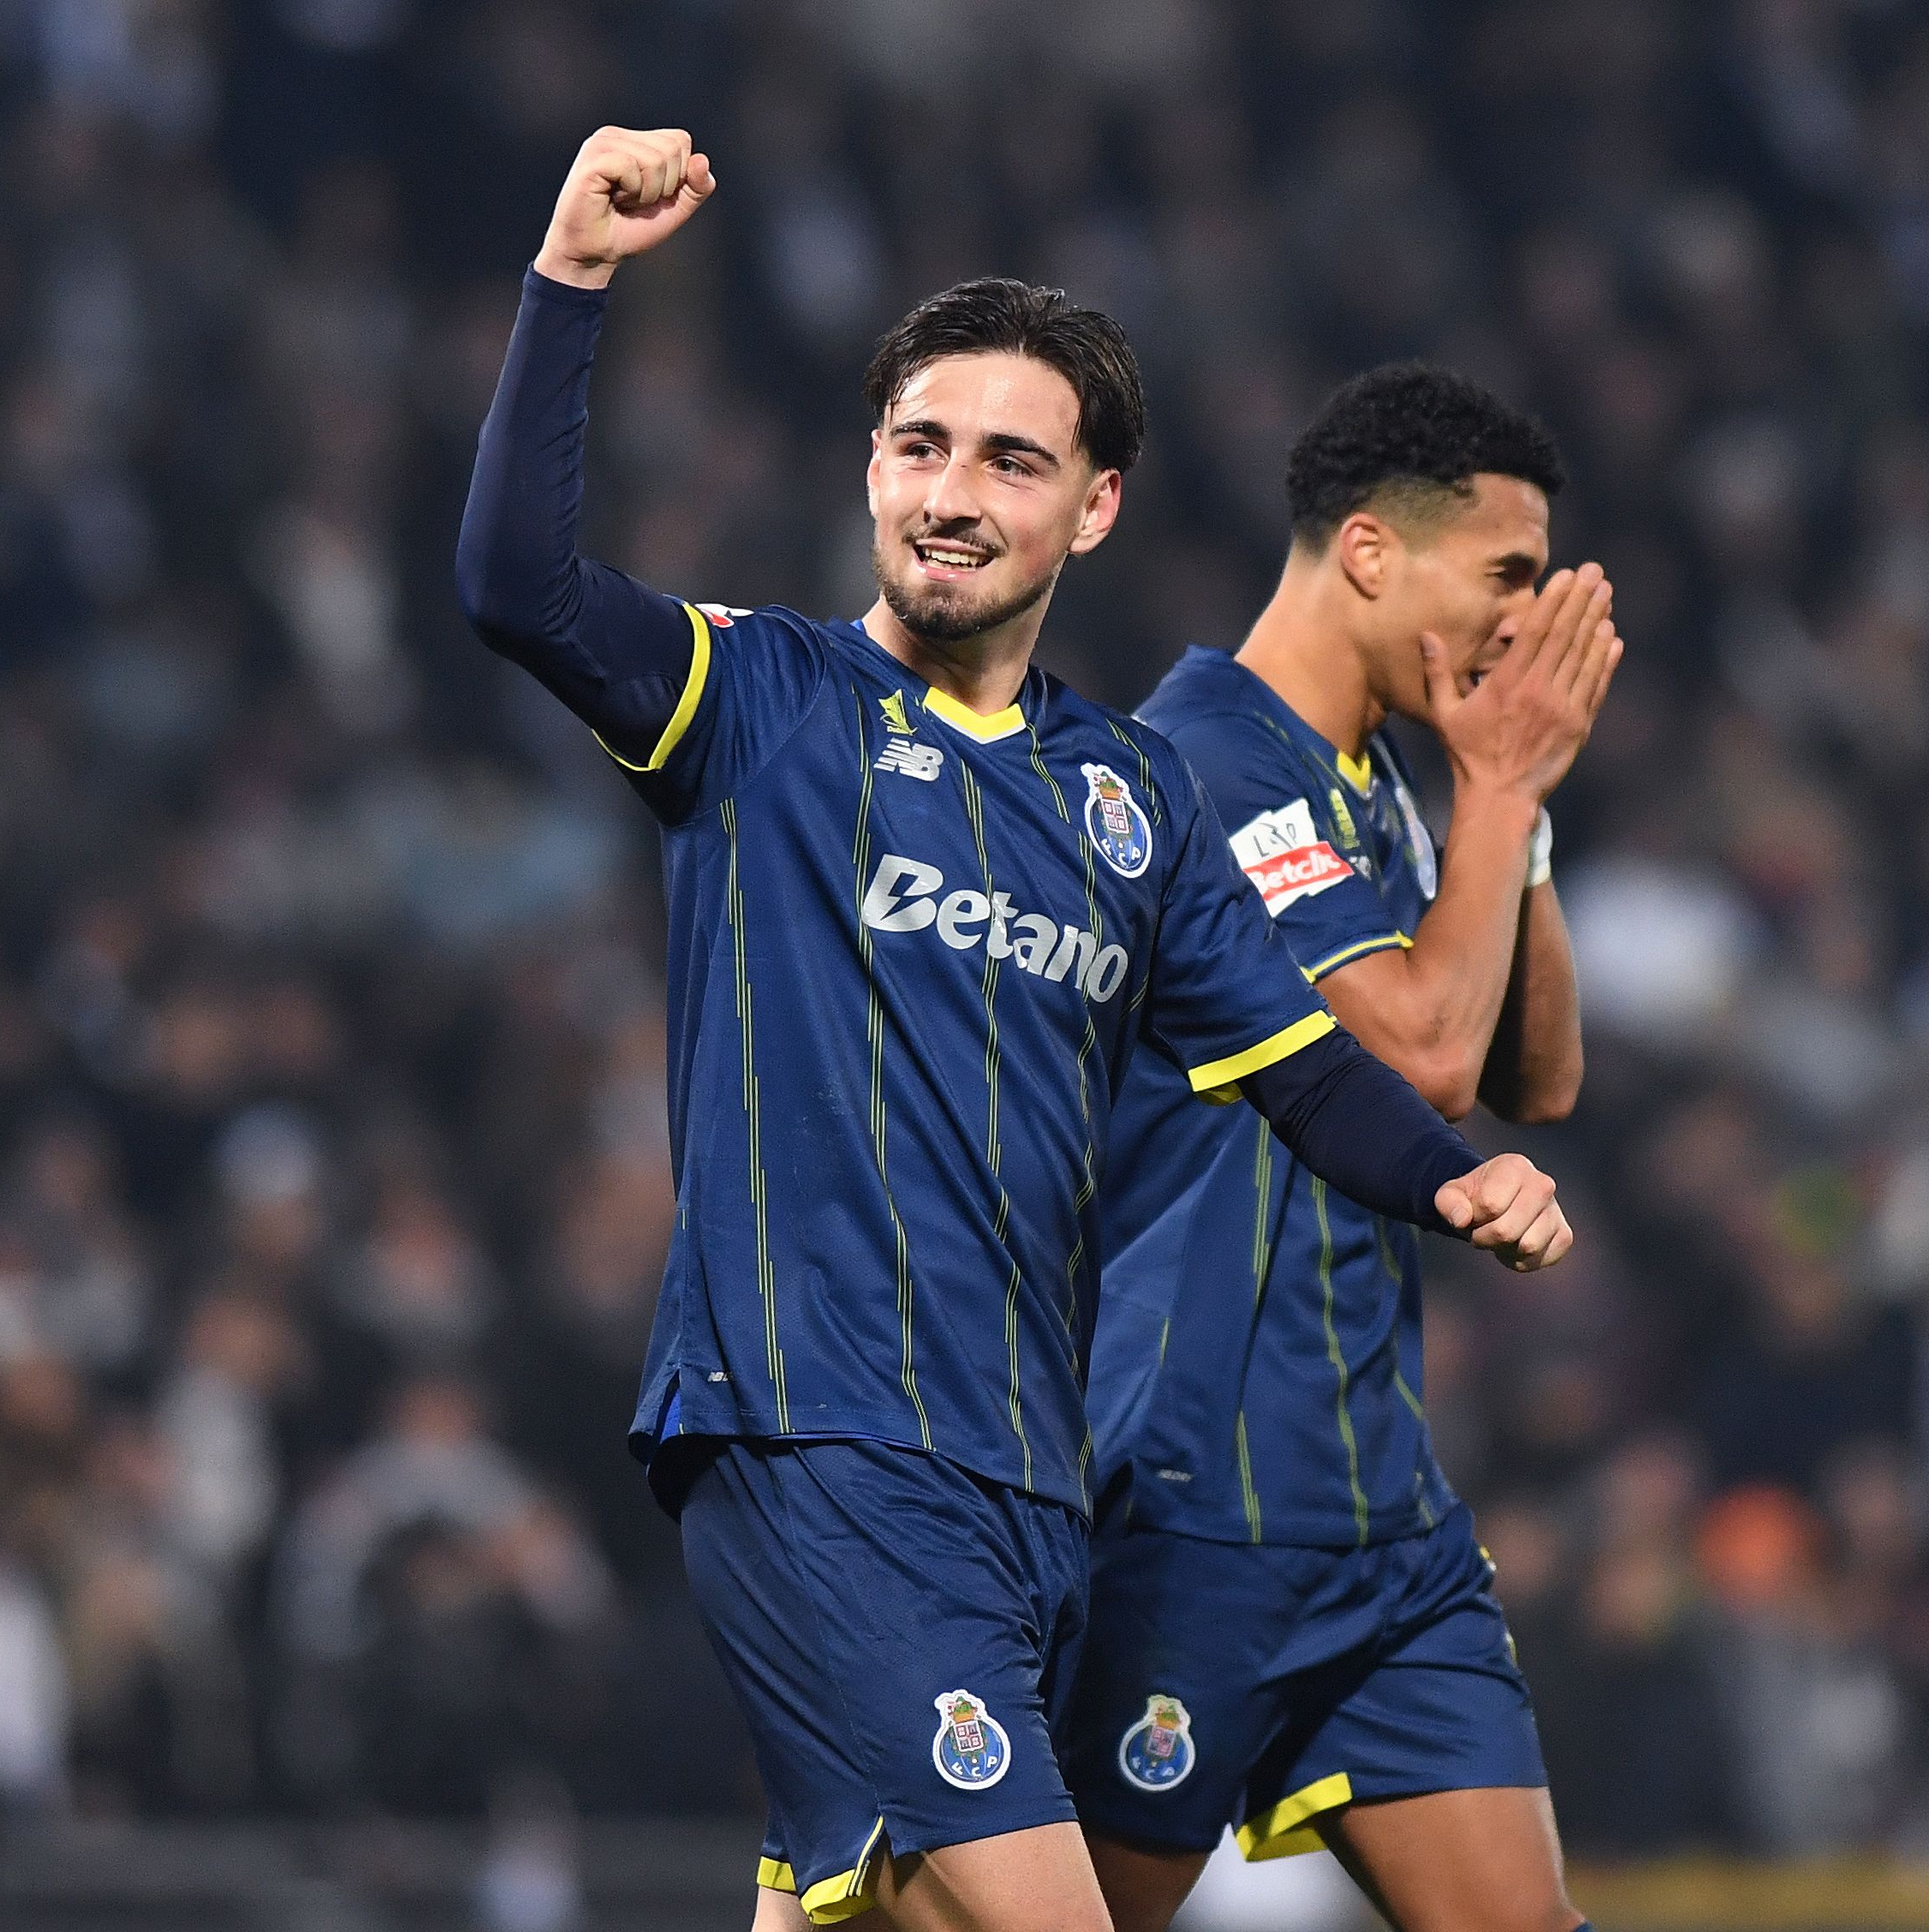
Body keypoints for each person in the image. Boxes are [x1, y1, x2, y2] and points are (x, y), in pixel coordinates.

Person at [454, 130, 1579, 1932]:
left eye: (1008, 458)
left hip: (1024, 1488)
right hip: (812, 1443)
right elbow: (519, 587)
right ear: (870, 472)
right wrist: (571, 277)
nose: (951, 493)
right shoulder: (765, 702)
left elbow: (1299, 1069)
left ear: (1097, 505)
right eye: (917, 446)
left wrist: (1457, 1186)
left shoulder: (1125, 802)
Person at [1064, 364, 1618, 1932]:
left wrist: (1519, 818)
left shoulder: (1371, 783)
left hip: (1381, 1518)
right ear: (1370, 553)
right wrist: (1500, 787)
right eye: (1504, 576)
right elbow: (1430, 1058)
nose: (1524, 621)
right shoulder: (1202, 768)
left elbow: (1542, 1075)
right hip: (1189, 1498)